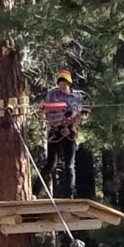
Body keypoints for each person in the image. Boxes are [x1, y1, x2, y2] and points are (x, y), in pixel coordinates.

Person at [38, 69, 87, 198]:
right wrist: (62, 117)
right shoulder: (52, 94)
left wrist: (72, 117)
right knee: (51, 164)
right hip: (55, 132)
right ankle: (35, 191)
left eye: (64, 81)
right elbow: (48, 114)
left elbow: (79, 113)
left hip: (70, 132)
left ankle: (69, 195)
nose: (62, 84)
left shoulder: (77, 96)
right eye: (60, 81)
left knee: (69, 166)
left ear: (69, 82)